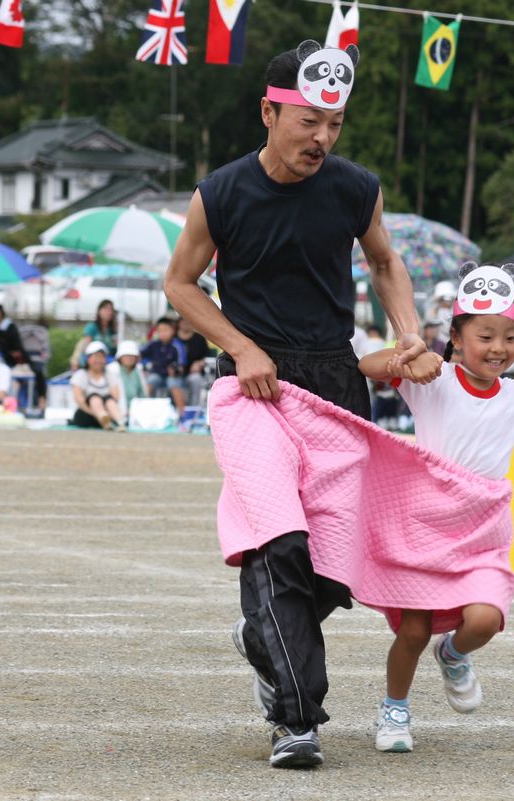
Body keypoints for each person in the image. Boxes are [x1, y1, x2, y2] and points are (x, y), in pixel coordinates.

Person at [163, 39, 431, 769]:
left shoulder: (354, 187)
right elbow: (181, 284)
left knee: (337, 568)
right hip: (259, 388)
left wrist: (409, 334)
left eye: (335, 123)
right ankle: (296, 718)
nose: (322, 137)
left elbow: (382, 260)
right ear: (269, 111)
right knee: (279, 543)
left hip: (337, 382)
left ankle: (263, 636)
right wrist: (241, 345)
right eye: (309, 120)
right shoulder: (220, 193)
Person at [357, 265, 514, 753]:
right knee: (414, 629)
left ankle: (455, 653)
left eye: (509, 336)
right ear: (457, 338)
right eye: (485, 336)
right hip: (423, 527)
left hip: (480, 530)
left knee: (484, 619)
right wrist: (407, 354)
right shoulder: (433, 379)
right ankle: (395, 709)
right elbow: (366, 367)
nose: (499, 347)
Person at [69, 341, 124, 430]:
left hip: (109, 412)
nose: (99, 360)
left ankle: (120, 421)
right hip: (86, 414)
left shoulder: (110, 374)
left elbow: (115, 397)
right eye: (95, 357)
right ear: (88, 359)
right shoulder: (81, 375)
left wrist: (108, 411)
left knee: (109, 400)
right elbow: (79, 399)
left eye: (101, 357)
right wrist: (94, 412)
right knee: (94, 398)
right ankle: (104, 418)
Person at [140, 317, 188, 409]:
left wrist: (175, 370)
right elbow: (140, 355)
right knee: (150, 381)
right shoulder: (153, 344)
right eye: (160, 330)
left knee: (172, 383)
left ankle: (182, 413)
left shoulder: (178, 345)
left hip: (173, 376)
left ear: (173, 330)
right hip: (157, 374)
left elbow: (181, 366)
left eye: (166, 330)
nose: (163, 333)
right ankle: (144, 409)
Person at [72, 299, 118, 370]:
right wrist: (75, 361)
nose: (109, 312)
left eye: (111, 310)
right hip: (92, 362)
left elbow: (115, 349)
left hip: (107, 363)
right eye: (105, 309)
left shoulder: (112, 331)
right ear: (99, 311)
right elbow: (84, 346)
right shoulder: (92, 327)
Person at [176, 316, 211, 407]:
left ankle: (193, 408)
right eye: (183, 321)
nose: (186, 323)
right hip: (176, 373)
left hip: (194, 373)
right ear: (179, 323)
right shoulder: (173, 338)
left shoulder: (200, 339)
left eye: (188, 321)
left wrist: (199, 363)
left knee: (196, 379)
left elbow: (207, 357)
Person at [108, 340, 149, 408]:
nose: (129, 358)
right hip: (118, 409)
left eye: (132, 355)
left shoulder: (138, 370)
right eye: (126, 355)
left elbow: (142, 394)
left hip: (137, 408)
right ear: (120, 357)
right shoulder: (112, 370)